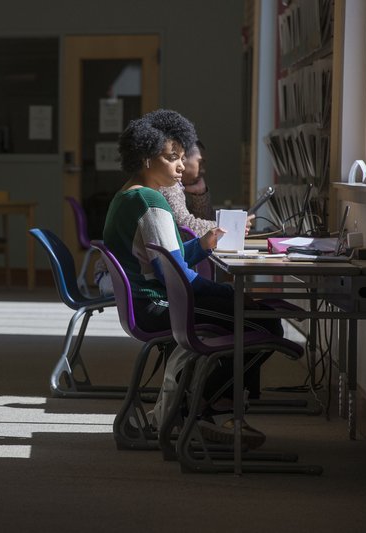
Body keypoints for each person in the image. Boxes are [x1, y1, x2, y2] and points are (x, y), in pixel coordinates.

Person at [102, 109, 285, 447]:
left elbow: (167, 261)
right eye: (172, 158)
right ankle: (198, 411)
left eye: (183, 157)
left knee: (250, 314)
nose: (181, 166)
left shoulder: (127, 195)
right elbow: (177, 277)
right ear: (146, 158)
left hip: (151, 300)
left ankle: (202, 409)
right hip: (161, 304)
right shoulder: (150, 200)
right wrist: (229, 294)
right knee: (265, 325)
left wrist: (202, 245)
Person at [158, 140, 254, 238]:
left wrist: (200, 194)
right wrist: (232, 225)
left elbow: (203, 220)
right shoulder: (169, 185)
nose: (203, 169)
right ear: (183, 159)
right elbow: (185, 228)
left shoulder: (176, 185)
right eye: (200, 162)